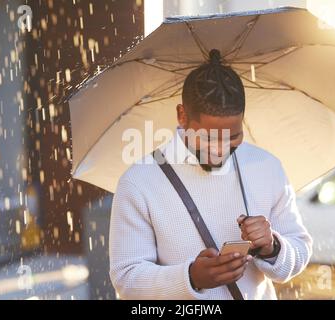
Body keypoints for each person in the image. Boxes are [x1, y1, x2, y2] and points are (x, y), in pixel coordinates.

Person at [109, 48, 312, 300]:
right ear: (182, 115)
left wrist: (273, 247)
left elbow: (300, 250)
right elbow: (127, 279)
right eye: (208, 138)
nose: (220, 149)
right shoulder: (139, 181)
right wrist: (191, 277)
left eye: (234, 136)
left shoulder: (267, 166)